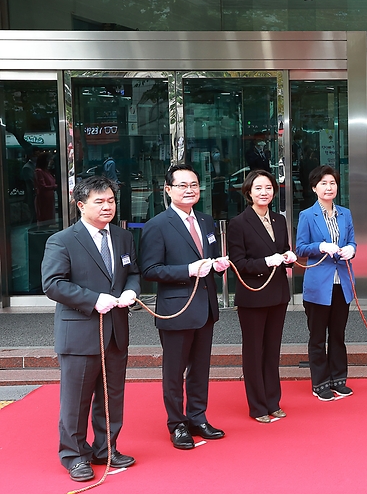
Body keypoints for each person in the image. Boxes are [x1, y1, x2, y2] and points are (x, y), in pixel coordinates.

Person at [41, 176, 140, 482]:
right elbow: (52, 284)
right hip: (81, 331)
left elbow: (132, 272)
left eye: (110, 200)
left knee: (112, 396)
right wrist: (94, 299)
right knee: (77, 399)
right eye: (99, 201)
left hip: (115, 331)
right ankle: (74, 455)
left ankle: (106, 448)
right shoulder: (62, 240)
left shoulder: (123, 237)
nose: (107, 206)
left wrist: (131, 292)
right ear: (81, 205)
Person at [140, 164, 231, 449]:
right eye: (182, 185)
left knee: (200, 368)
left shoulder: (205, 221)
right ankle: (177, 423)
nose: (189, 190)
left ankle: (198, 416)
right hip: (176, 309)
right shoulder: (157, 225)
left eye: (194, 184)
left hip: (205, 307)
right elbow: (150, 270)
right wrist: (188, 270)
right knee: (174, 370)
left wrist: (218, 265)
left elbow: (210, 258)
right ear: (167, 189)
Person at [226, 170, 298, 422]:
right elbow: (239, 263)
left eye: (268, 188)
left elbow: (284, 250)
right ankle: (257, 406)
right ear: (248, 192)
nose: (264, 192)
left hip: (277, 294)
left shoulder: (279, 220)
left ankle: (272, 401)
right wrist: (267, 261)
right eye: (258, 188)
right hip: (253, 297)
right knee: (254, 351)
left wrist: (289, 257)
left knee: (272, 351)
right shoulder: (238, 223)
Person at [296, 165, 357, 401]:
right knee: (318, 336)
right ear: (314, 188)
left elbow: (352, 240)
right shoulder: (307, 216)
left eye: (332, 183)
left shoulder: (345, 213)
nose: (328, 187)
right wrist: (320, 246)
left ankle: (339, 380)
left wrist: (351, 249)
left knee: (338, 335)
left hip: (341, 282)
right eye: (323, 183)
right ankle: (320, 383)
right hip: (318, 285)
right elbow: (300, 248)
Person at [34, 152, 57, 224]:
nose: (51, 162)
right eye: (50, 160)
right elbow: (42, 186)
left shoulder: (47, 171)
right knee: (45, 217)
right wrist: (55, 186)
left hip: (50, 197)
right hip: (44, 198)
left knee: (50, 216)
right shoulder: (39, 171)